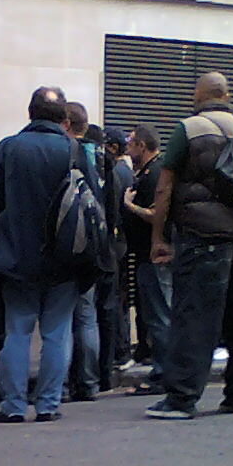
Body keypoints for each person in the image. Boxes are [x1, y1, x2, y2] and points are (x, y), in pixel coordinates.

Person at [147, 72, 233, 420]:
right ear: (228, 95)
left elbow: (165, 187)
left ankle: (182, 398)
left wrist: (159, 237)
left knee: (194, 317)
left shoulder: (189, 129)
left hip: (200, 237)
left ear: (198, 96)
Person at [0, 86, 92, 423]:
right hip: (64, 257)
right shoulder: (73, 150)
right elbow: (92, 205)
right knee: (56, 332)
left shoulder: (9, 148)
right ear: (64, 118)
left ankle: (13, 406)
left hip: (17, 254)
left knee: (17, 331)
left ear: (29, 113)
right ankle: (48, 404)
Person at [119, 124, 172, 396]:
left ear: (142, 145)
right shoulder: (148, 173)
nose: (127, 149)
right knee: (156, 316)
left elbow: (156, 214)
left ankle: (164, 375)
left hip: (155, 257)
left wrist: (129, 206)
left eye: (131, 143)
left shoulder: (155, 175)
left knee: (160, 317)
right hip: (145, 256)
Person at [63, 103, 103, 402]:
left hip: (68, 242)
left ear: (66, 122)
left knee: (61, 318)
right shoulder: (100, 155)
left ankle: (61, 384)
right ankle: (89, 382)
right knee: (87, 317)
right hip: (95, 243)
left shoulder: (66, 152)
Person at [99, 125, 136, 386]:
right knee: (120, 298)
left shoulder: (117, 172)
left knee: (115, 299)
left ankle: (119, 351)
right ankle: (122, 349)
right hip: (123, 243)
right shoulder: (127, 171)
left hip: (116, 243)